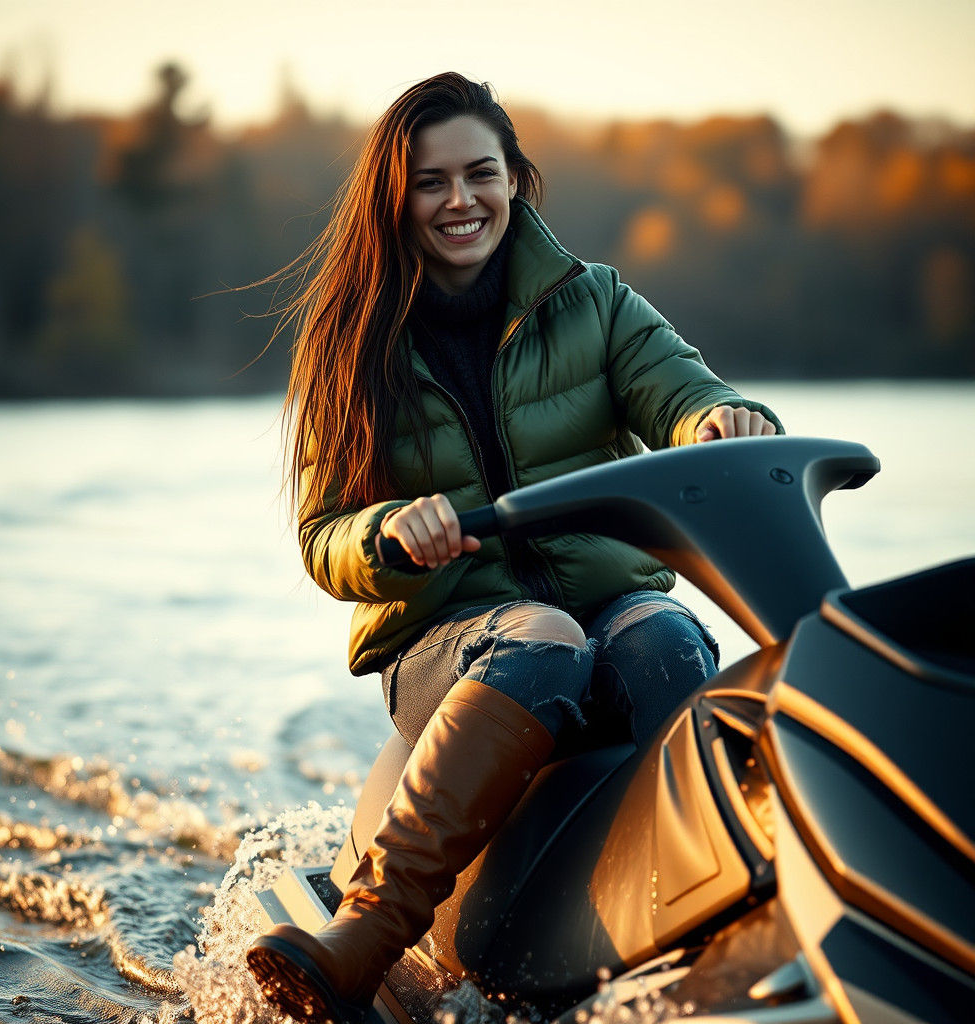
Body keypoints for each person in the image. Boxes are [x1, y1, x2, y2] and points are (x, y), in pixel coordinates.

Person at [245, 72, 781, 1020]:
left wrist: (721, 420)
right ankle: (366, 933)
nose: (460, 201)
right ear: (395, 199)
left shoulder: (598, 304)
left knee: (661, 630)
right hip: (450, 644)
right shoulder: (349, 346)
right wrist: (387, 534)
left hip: (611, 611)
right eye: (430, 182)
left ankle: (743, 918)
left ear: (515, 179)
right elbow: (322, 539)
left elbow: (690, 395)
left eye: (479, 173)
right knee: (538, 632)